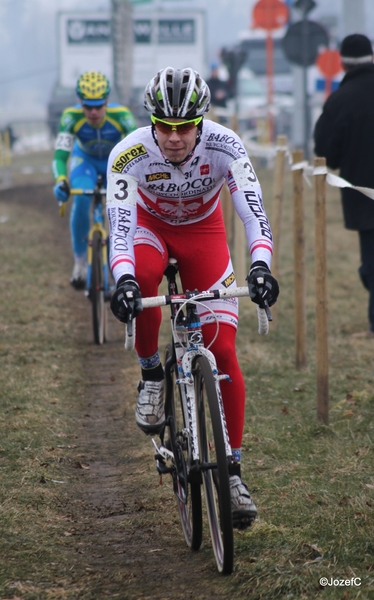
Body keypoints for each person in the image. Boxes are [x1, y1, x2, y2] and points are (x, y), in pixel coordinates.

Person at [106, 66, 279, 528]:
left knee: (222, 350)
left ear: (201, 123)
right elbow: (120, 231)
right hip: (150, 231)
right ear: (152, 122)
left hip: (204, 233)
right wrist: (121, 279)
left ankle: (234, 472)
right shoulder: (128, 154)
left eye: (185, 127)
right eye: (165, 126)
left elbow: (252, 212)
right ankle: (151, 375)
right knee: (141, 276)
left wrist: (260, 266)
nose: (175, 137)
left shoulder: (225, 145)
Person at [52, 71, 137, 289]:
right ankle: (80, 264)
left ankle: (120, 264)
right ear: (80, 102)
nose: (93, 112)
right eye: (88, 106)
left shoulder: (122, 116)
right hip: (85, 162)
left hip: (113, 163)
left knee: (120, 210)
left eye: (98, 106)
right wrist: (61, 180)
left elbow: (138, 154)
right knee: (81, 200)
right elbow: (60, 156)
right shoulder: (70, 117)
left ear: (107, 101)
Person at [314, 34, 374, 339]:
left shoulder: (340, 99)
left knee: (372, 264)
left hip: (365, 197)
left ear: (343, 62)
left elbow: (325, 150)